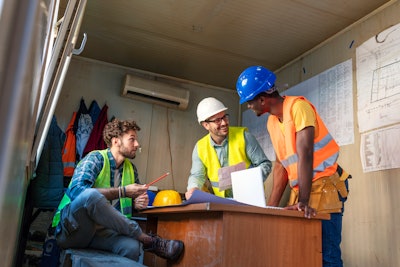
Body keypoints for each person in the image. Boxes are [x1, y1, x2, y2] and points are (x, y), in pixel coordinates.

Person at [236, 65, 351, 267]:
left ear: (262, 99)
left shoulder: (298, 107)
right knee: (303, 255)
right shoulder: (272, 122)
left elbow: (305, 153)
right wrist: (269, 208)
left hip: (325, 187)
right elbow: (281, 166)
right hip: (302, 191)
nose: (249, 106)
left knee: (327, 258)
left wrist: (304, 201)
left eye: (249, 102)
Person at [51, 119, 184, 262]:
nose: (137, 144)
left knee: (131, 247)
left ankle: (143, 240)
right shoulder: (95, 158)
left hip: (101, 234)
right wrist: (123, 191)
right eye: (132, 140)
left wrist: (136, 204)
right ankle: (148, 240)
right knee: (90, 195)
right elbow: (78, 192)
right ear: (116, 141)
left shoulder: (131, 170)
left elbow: (119, 212)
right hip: (72, 230)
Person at [185, 97, 272, 200]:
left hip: (251, 200)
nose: (224, 123)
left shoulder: (244, 136)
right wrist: (192, 188)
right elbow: (197, 176)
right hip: (223, 204)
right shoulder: (200, 147)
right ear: (206, 125)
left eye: (224, 117)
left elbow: (265, 164)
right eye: (217, 120)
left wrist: (247, 182)